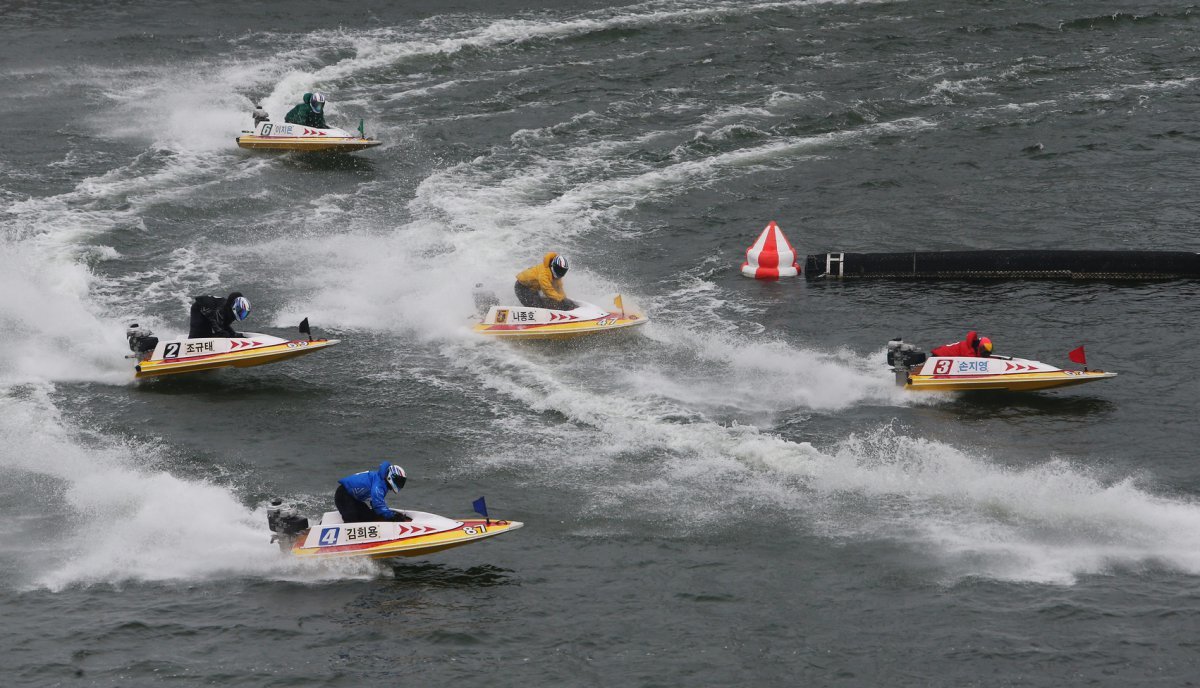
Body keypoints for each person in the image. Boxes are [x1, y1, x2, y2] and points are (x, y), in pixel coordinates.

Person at [334, 462, 412, 523]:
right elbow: (378, 505)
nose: (400, 484)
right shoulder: (379, 485)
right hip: (343, 495)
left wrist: (389, 514)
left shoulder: (382, 481)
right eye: (399, 481)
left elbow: (375, 503)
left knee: (368, 517)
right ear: (391, 476)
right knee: (352, 521)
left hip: (353, 498)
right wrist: (392, 516)